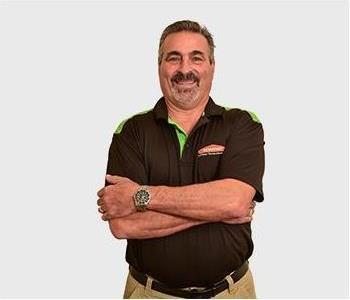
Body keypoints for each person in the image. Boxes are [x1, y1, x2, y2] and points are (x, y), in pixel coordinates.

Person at [97, 20, 265, 299]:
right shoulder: (131, 132)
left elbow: (235, 202)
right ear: (159, 66)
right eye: (173, 58)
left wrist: (141, 196)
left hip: (231, 293)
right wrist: (216, 210)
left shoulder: (242, 124)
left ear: (211, 65)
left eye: (196, 58)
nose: (185, 69)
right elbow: (122, 224)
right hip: (149, 293)